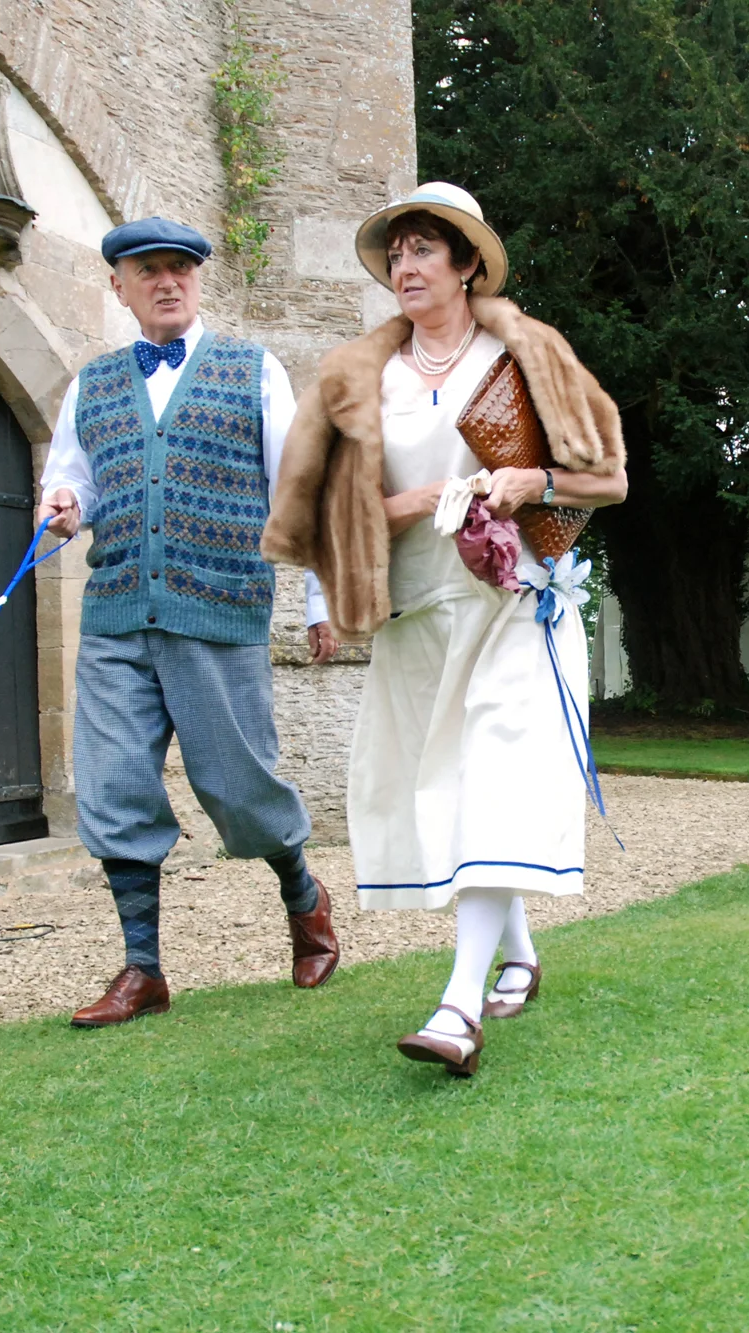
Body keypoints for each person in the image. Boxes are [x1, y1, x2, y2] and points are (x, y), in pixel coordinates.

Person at [262, 183, 627, 1075]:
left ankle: (458, 1008)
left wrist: (529, 482)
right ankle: (521, 952)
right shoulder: (358, 377)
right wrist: (408, 502)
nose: (407, 265)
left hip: (514, 603)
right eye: (397, 253)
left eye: (426, 249)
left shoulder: (526, 355)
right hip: (415, 617)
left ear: (468, 265)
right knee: (452, 790)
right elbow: (318, 516)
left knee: (494, 781)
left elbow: (609, 479)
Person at [36, 216, 342, 1027]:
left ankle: (305, 900)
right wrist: (63, 509)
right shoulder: (90, 385)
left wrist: (318, 599)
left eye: (180, 269)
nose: (167, 282)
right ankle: (143, 970)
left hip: (219, 608)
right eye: (148, 271)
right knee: (113, 786)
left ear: (197, 281)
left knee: (241, 786)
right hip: (115, 614)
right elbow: (72, 482)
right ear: (120, 288)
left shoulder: (252, 371)